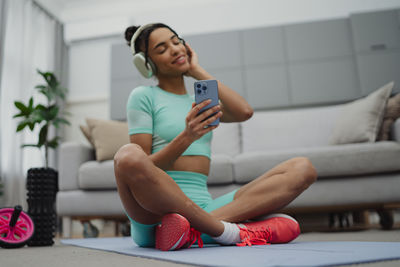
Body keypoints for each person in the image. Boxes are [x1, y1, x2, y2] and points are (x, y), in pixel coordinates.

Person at [114, 23, 318, 251]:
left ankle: (191, 231)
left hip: (205, 207)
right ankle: (224, 230)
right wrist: (187, 137)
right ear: (147, 64)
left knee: (302, 168)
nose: (174, 49)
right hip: (155, 214)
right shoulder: (143, 96)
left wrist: (196, 71)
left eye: (176, 41)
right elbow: (140, 167)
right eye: (162, 49)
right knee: (128, 155)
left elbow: (244, 112)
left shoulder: (201, 102)